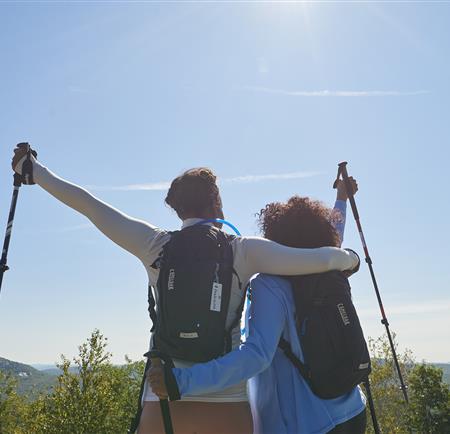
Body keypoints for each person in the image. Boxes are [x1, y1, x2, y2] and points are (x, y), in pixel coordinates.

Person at [11, 145, 359, 434]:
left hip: (163, 397)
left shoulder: (154, 245)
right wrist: (348, 258)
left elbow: (90, 206)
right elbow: (315, 257)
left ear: (177, 208)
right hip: (228, 401)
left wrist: (36, 171)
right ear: (217, 203)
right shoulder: (245, 251)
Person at [149, 195, 366, 434]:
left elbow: (257, 355)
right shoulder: (330, 272)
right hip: (352, 407)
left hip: (307, 423)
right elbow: (335, 238)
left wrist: (181, 381)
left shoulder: (271, 284)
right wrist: (341, 199)